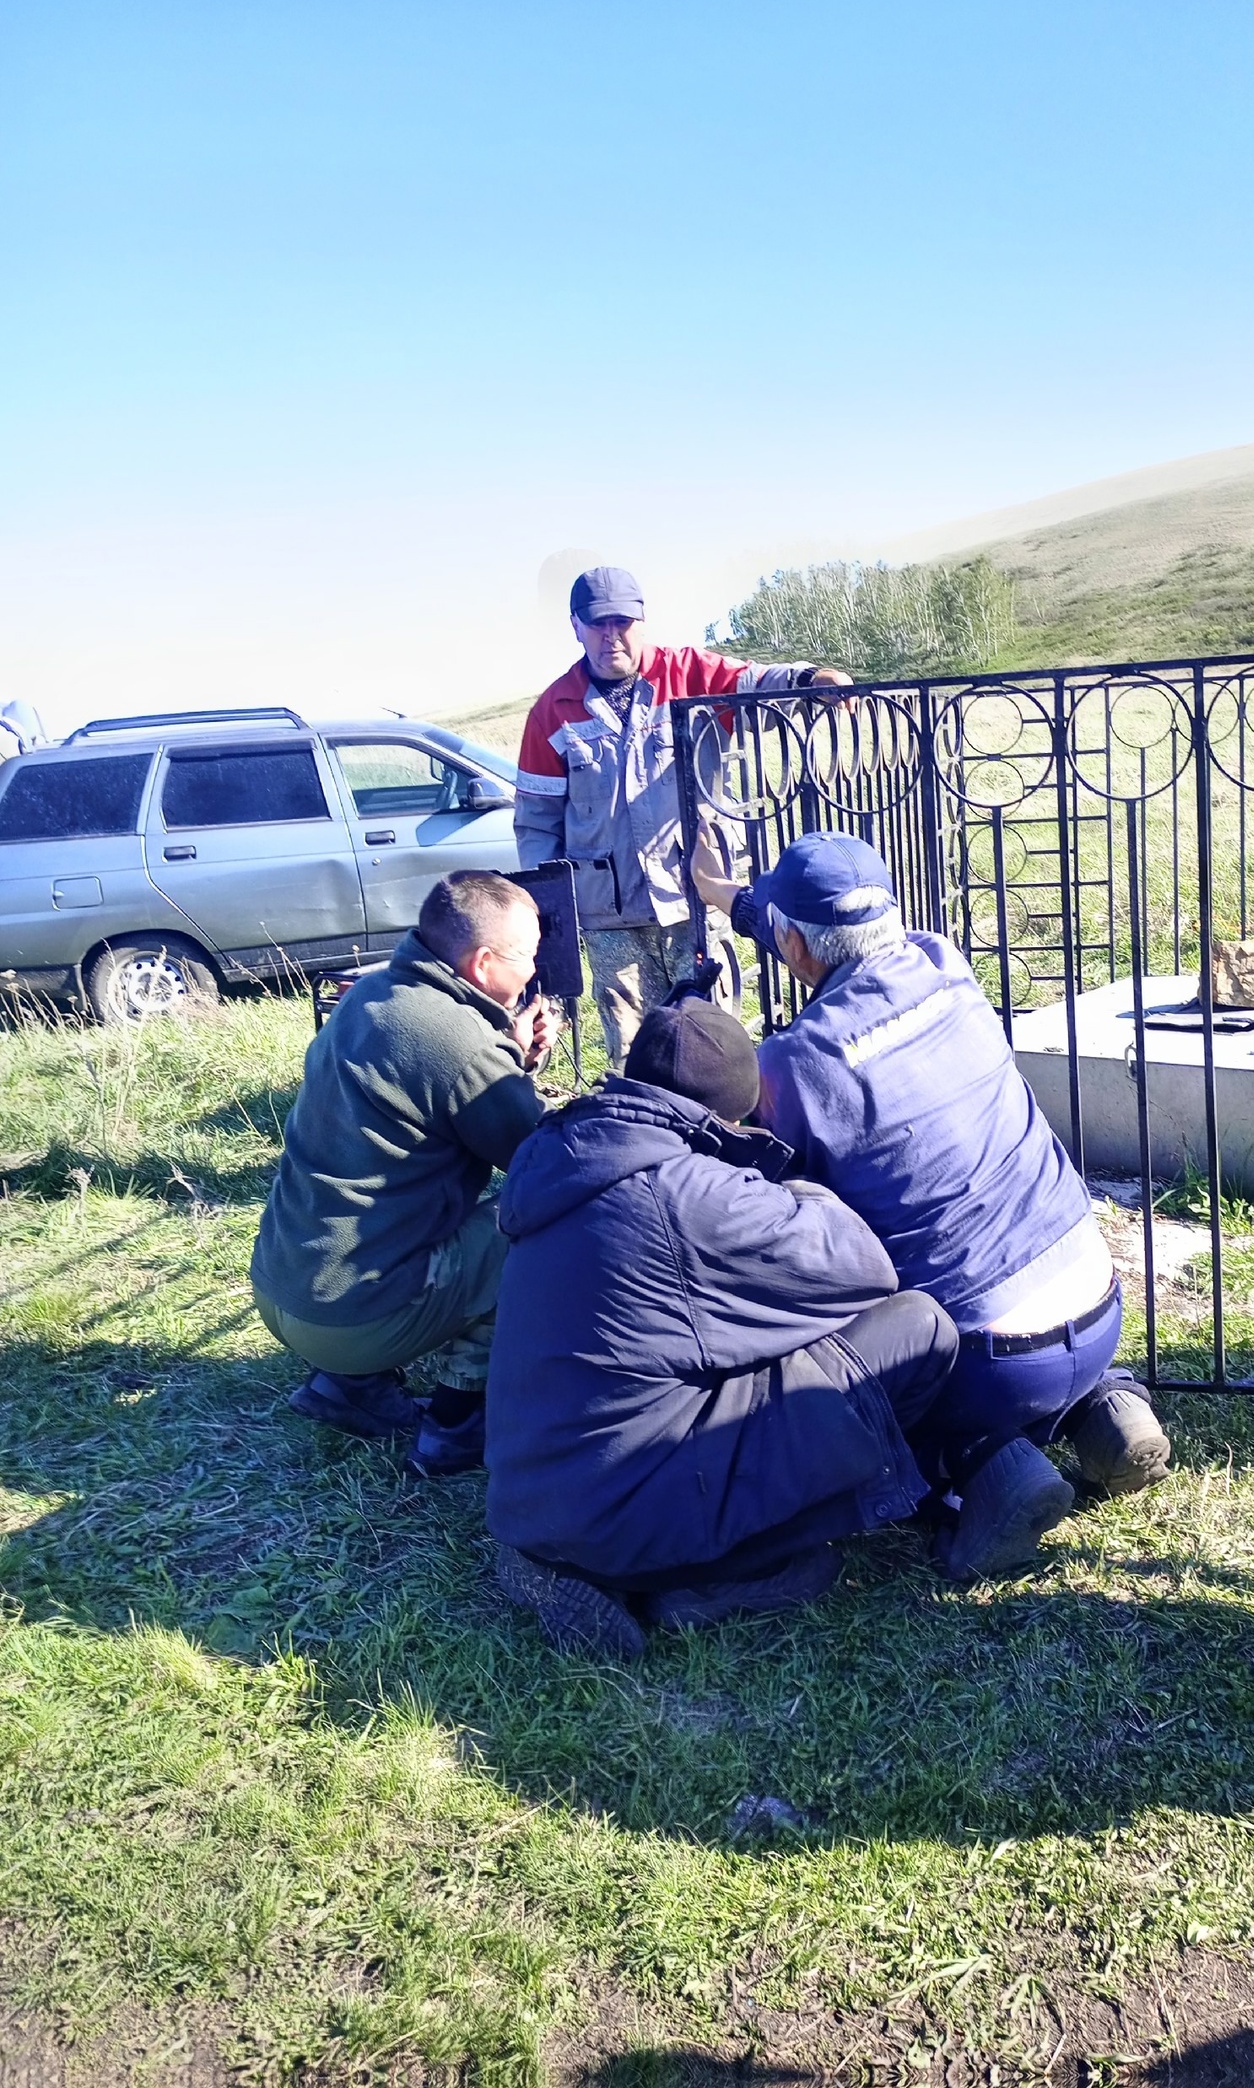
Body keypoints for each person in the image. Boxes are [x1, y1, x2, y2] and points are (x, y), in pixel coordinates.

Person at [484, 999, 1018, 1659]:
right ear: (730, 1110)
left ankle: (563, 1550)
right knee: (918, 1328)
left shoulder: (571, 1150)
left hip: (538, 1485)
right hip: (620, 1508)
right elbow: (864, 1267)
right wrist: (797, 1185)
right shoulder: (689, 1195)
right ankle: (716, 1570)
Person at [691, 829, 1172, 1556]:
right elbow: (812, 930)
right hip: (1099, 1306)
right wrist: (727, 897)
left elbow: (768, 1207)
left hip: (988, 1364)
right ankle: (1105, 1405)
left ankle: (976, 1467)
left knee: (858, 1384)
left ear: (793, 950)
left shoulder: (792, 1067)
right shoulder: (942, 962)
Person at [251, 870, 561, 1479]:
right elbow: (541, 1158)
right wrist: (507, 1069)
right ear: (482, 964)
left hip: (283, 1288)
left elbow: (430, 1085)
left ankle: (347, 1387)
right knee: (536, 1223)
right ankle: (457, 1425)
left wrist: (509, 1056)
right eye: (526, 956)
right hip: (351, 1318)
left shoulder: (368, 997)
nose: (533, 969)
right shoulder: (461, 1042)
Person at [514, 564, 852, 1069]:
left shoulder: (689, 675)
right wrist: (552, 924)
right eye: (597, 623)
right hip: (612, 922)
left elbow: (756, 682)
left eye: (622, 623)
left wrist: (808, 680)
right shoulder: (552, 711)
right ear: (576, 626)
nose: (611, 636)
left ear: (642, 622)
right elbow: (538, 827)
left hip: (695, 901)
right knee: (632, 1057)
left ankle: (722, 1141)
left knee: (714, 1050)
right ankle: (645, 1143)